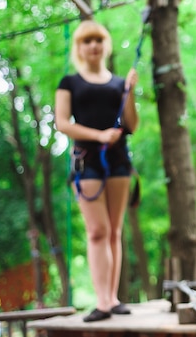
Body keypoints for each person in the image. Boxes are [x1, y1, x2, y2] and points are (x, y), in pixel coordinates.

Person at [55, 20, 139, 322]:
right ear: (79, 47)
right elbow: (62, 123)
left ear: (105, 45)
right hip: (87, 161)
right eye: (87, 41)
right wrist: (100, 135)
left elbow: (131, 124)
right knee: (97, 231)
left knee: (115, 230)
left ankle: (113, 298)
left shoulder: (119, 84)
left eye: (98, 40)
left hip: (119, 161)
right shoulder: (69, 83)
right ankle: (102, 301)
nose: (93, 46)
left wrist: (129, 92)